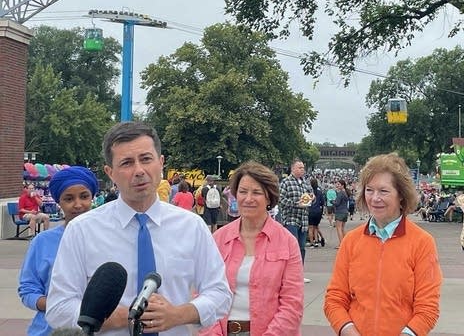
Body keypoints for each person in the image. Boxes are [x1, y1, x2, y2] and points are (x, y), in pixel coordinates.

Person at [46, 122, 232, 336]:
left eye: (146, 159)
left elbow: (220, 295)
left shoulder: (192, 226)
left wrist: (178, 314)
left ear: (160, 163)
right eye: (126, 163)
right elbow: (58, 309)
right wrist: (123, 316)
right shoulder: (82, 230)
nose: (139, 171)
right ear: (110, 173)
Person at [324, 153, 443, 336]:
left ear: (401, 195)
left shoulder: (422, 242)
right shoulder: (351, 241)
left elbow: (427, 308)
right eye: (369, 190)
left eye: (384, 191)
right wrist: (348, 330)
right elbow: (335, 299)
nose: (374, 198)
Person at [202, 161, 304, 336]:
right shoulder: (218, 239)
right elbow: (202, 293)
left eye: (256, 192)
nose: (248, 198)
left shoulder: (287, 242)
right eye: (242, 192)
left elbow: (292, 304)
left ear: (269, 198)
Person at [18, 166, 98, 336]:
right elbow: (28, 289)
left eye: (84, 196)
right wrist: (58, 306)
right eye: (69, 199)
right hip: (50, 330)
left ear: (93, 197)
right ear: (58, 201)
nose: (78, 204)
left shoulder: (109, 238)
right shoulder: (42, 242)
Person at [279, 159, 313, 283]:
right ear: (292, 168)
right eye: (299, 167)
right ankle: (289, 274)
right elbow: (281, 200)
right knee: (292, 247)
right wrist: (296, 204)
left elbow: (311, 195)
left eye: (303, 168)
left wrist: (312, 198)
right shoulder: (286, 182)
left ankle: (299, 273)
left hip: (303, 219)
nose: (302, 170)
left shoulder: (306, 182)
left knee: (302, 247)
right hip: (291, 219)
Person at [307, 178, 325, 248]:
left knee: (310, 228)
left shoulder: (309, 193)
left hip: (310, 211)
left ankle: (312, 243)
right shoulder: (319, 192)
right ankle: (317, 241)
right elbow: (322, 202)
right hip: (318, 211)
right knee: (316, 227)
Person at [333, 179, 349, 248]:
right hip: (345, 212)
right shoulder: (345, 193)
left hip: (340, 212)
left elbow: (337, 203)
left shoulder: (340, 193)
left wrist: (331, 201)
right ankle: (346, 243)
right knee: (342, 228)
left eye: (339, 184)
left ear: (343, 185)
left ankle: (341, 244)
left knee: (338, 228)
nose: (337, 185)